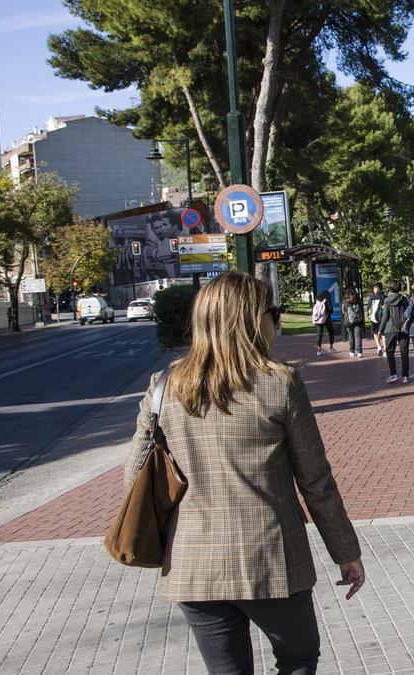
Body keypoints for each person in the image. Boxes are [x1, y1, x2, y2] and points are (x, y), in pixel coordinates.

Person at [125, 271, 365, 673]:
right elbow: (315, 481)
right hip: (270, 559)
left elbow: (135, 473)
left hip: (193, 562)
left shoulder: (164, 386)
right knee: (298, 658)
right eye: (273, 312)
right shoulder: (279, 384)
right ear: (254, 319)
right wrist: (345, 553)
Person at [377, 280, 411, 384]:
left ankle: (393, 374)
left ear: (390, 288)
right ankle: (405, 376)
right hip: (403, 328)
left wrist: (380, 330)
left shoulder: (387, 301)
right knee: (404, 352)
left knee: (390, 351)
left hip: (390, 329)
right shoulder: (404, 299)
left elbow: (385, 317)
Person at [340, 288, 364, 357]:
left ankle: (352, 351)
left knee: (351, 336)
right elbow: (361, 309)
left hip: (348, 322)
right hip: (358, 320)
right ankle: (359, 352)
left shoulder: (344, 302)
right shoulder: (357, 300)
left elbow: (343, 311)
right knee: (358, 336)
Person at [311, 290, 335, 356]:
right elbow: (331, 310)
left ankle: (319, 350)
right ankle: (331, 348)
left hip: (318, 320)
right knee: (331, 331)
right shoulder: (327, 300)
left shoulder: (317, 300)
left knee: (319, 335)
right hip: (327, 319)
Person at [367, 283, 386, 357]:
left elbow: (369, 306)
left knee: (375, 333)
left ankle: (378, 346)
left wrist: (369, 315)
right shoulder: (385, 296)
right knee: (383, 334)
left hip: (374, 318)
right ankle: (385, 350)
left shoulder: (372, 296)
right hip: (383, 318)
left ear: (376, 289)